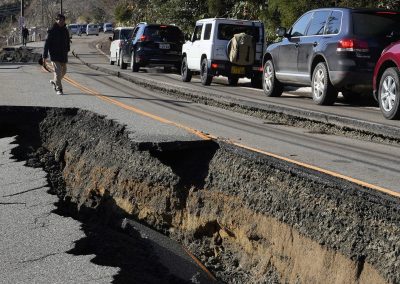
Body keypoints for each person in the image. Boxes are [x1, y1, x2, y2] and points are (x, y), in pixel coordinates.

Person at [43, 14, 70, 95]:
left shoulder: (65, 30)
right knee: (58, 72)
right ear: (56, 20)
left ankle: (55, 82)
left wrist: (67, 49)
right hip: (54, 55)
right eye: (59, 20)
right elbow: (46, 44)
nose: (61, 22)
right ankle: (59, 89)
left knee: (64, 71)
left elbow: (67, 41)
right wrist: (44, 56)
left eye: (63, 20)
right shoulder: (52, 30)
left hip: (63, 54)